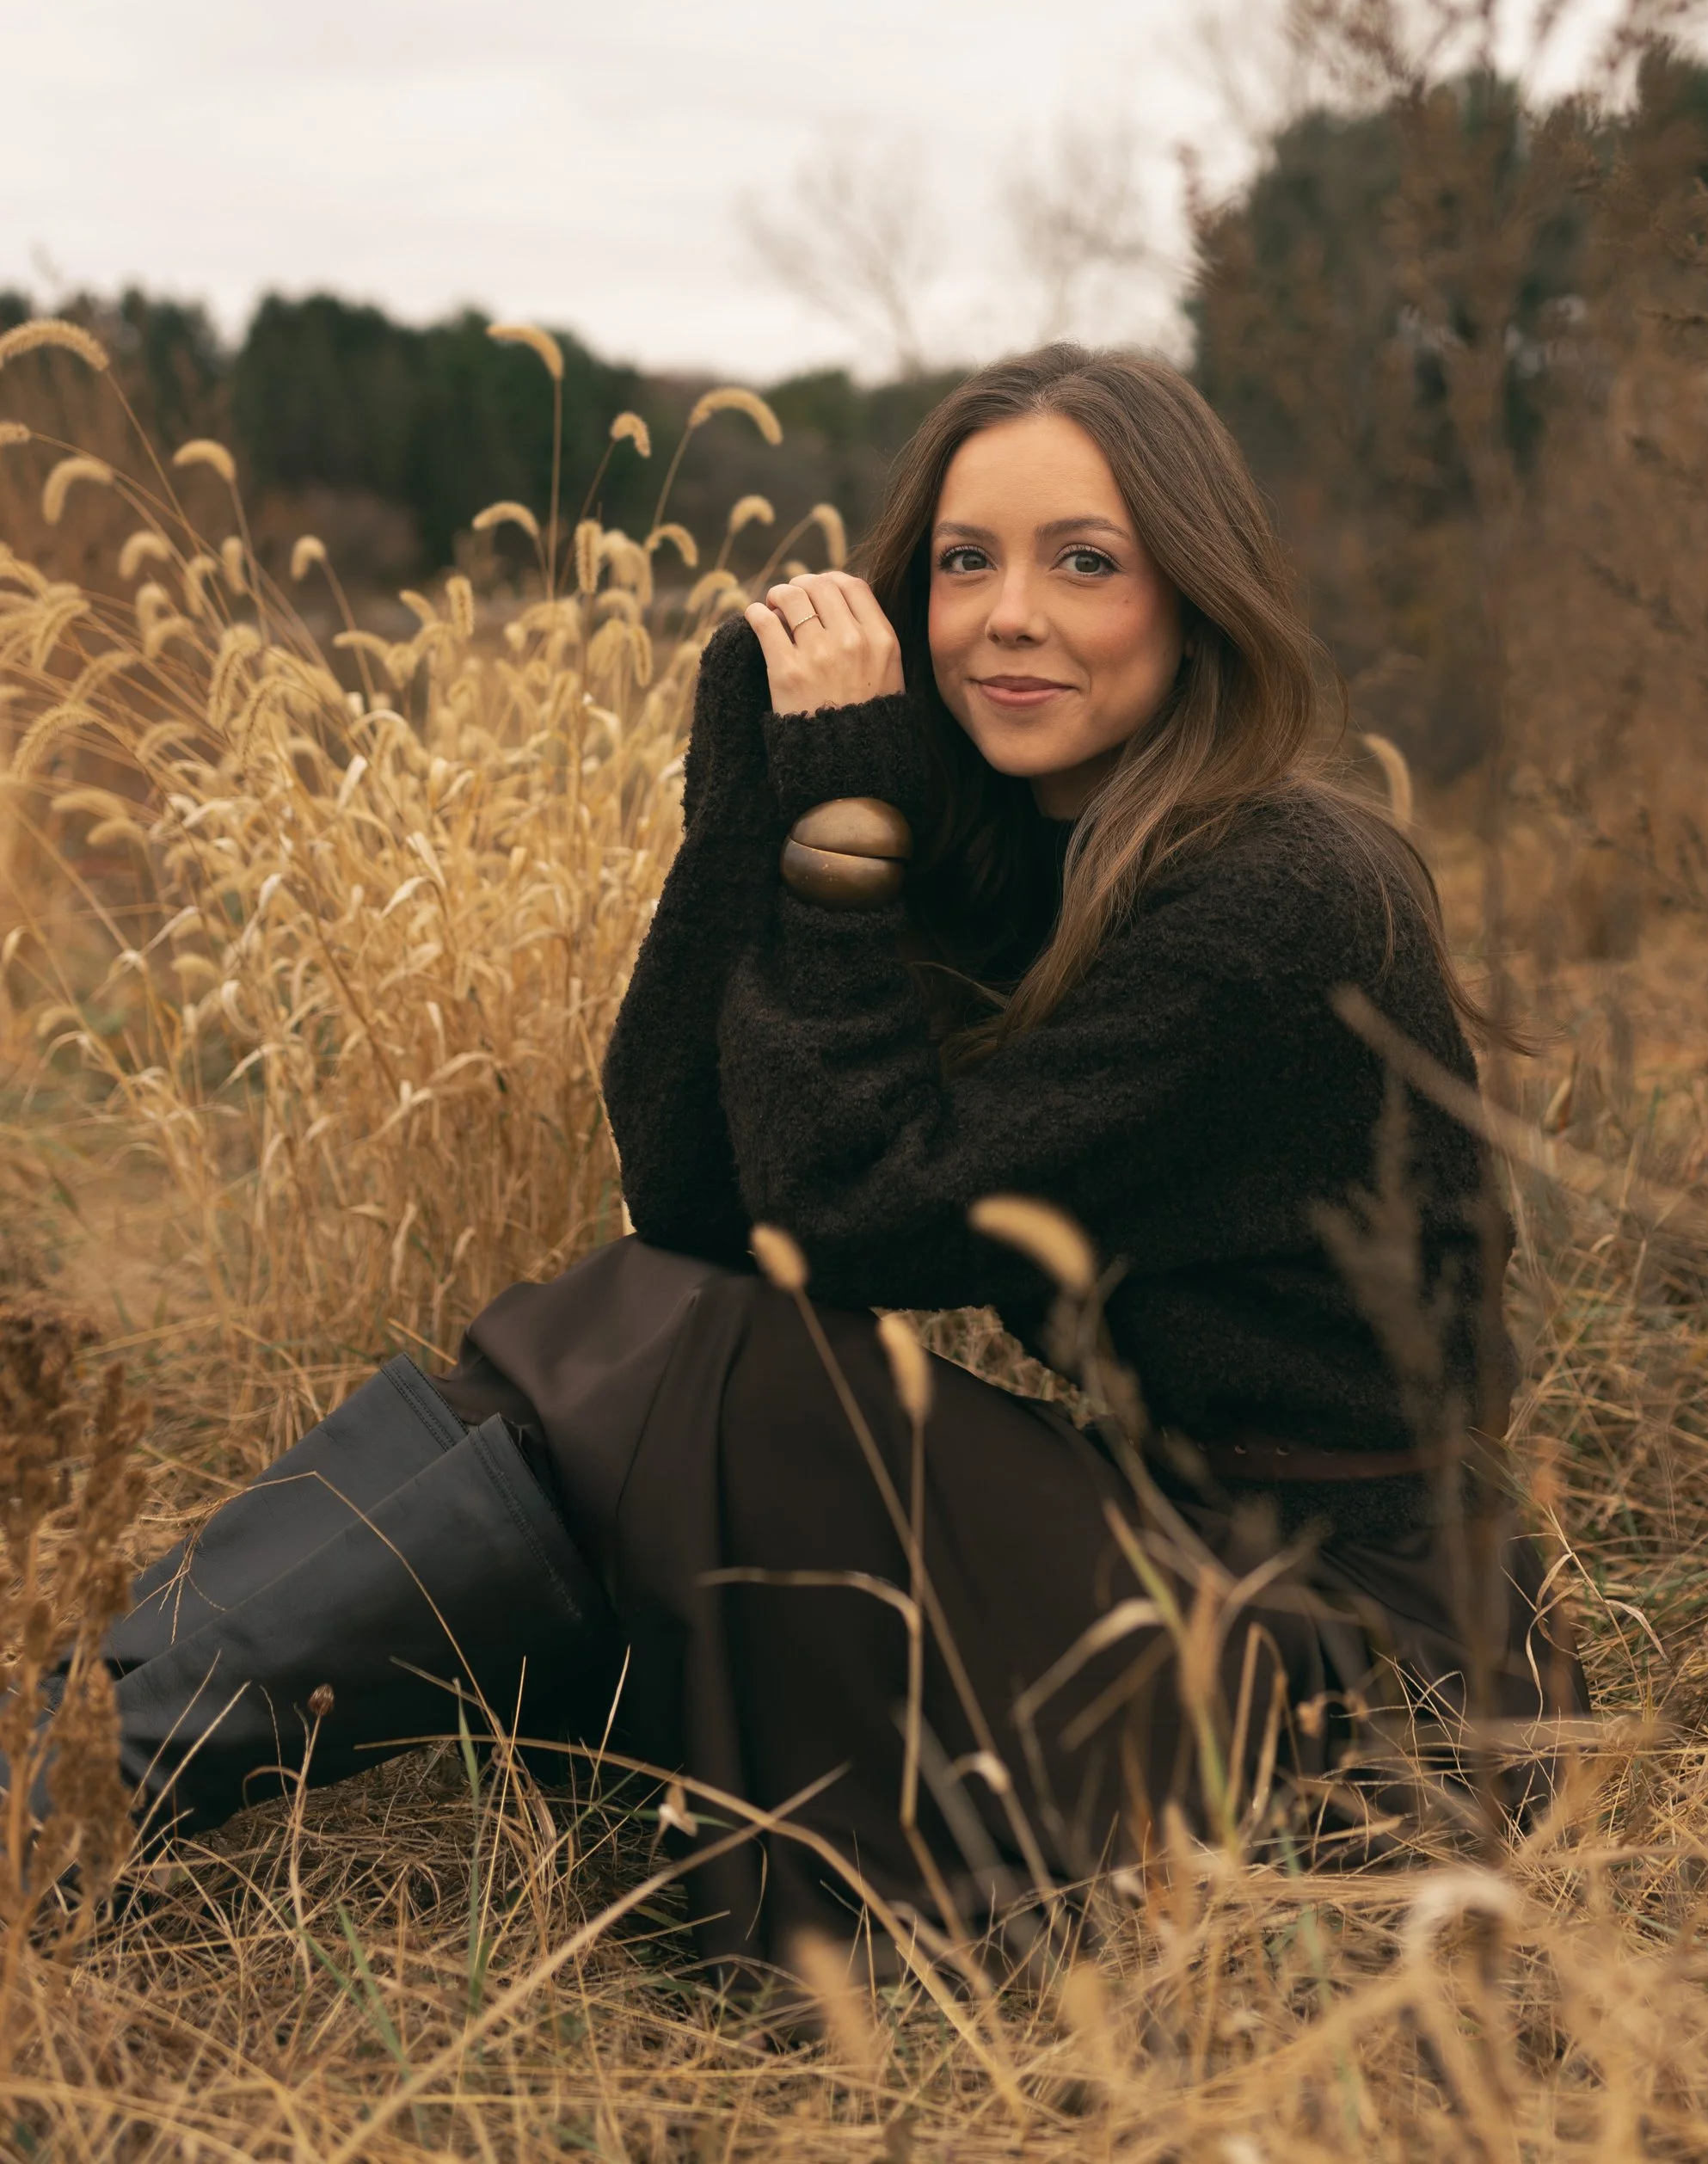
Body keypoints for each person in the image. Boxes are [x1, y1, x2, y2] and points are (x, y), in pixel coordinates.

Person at [64, 346, 1571, 1975]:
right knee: (640, 1355)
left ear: (1194, 597)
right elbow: (696, 1200)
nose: (1009, 612)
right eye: (963, 562)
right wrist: (755, 790)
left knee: (672, 1362)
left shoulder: (1279, 898)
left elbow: (840, 1225)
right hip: (1181, 1546)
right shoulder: (1048, 850)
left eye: (1086, 561)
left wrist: (844, 838)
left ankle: (76, 1777)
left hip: (1361, 1678)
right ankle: (73, 1752)